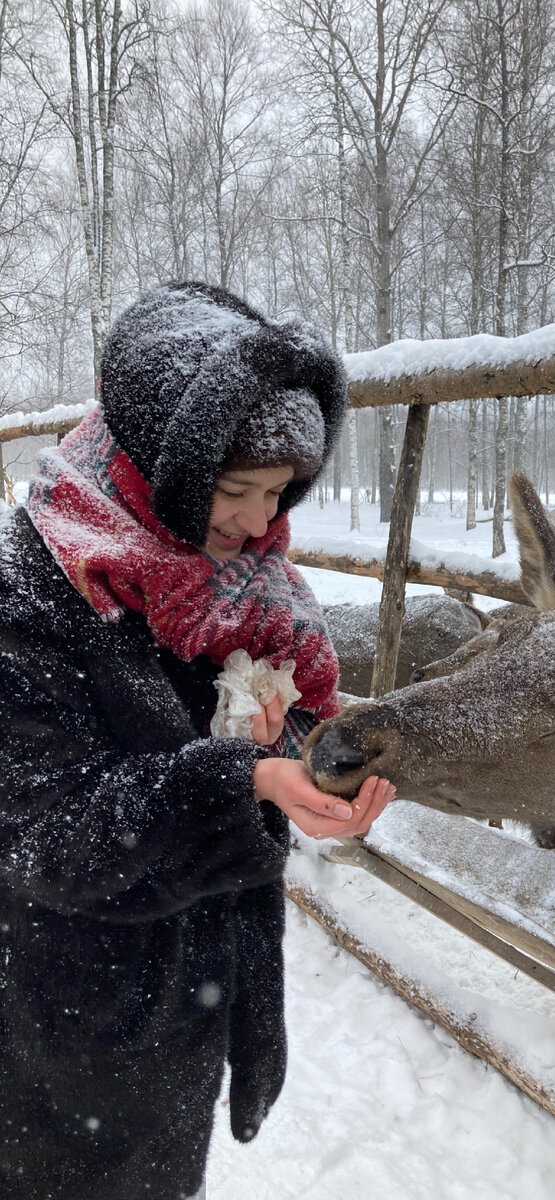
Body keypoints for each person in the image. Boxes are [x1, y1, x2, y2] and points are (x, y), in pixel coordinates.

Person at [0, 281, 394, 1200]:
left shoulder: (242, 583)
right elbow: (48, 832)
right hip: (69, 1029)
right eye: (235, 490)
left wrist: (288, 761)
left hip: (189, 1005)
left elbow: (255, 738)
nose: (263, 525)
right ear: (159, 465)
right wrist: (236, 784)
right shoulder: (36, 593)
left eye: (279, 494)